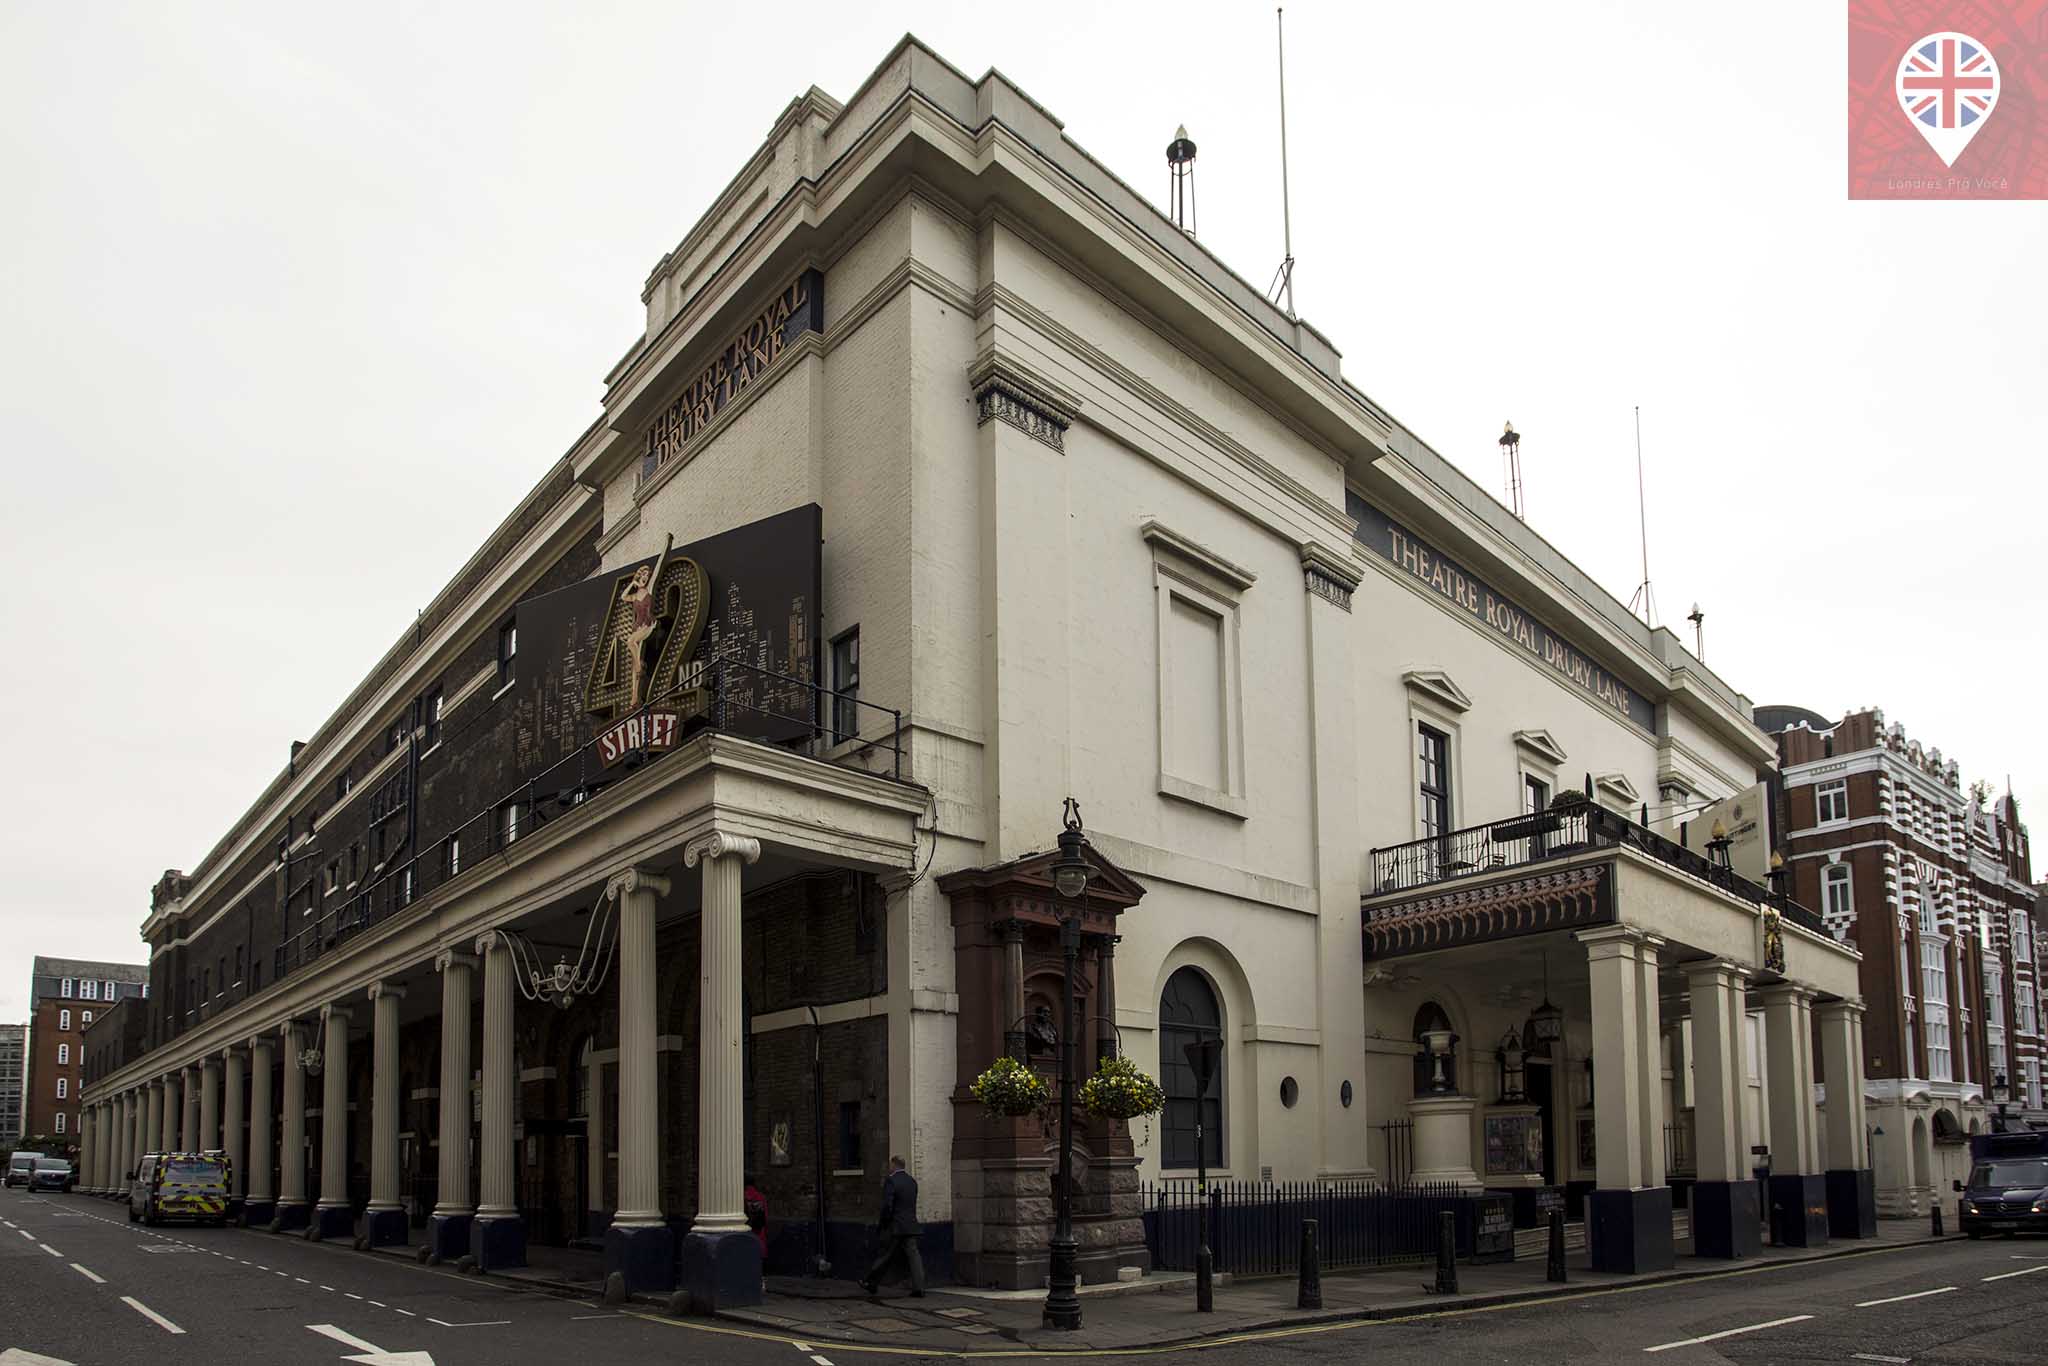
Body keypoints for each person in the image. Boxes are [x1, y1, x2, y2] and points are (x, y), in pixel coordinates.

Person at [859, 1155, 925, 1297]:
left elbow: (887, 1206)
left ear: (894, 1165)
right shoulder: (912, 1181)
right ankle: (919, 1288)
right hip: (911, 1224)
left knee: (885, 1255)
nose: (889, 1167)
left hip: (895, 1225)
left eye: (890, 1165)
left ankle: (870, 1282)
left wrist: (884, 1223)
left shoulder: (891, 1181)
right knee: (914, 1256)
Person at [743, 1173, 769, 1259]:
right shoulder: (760, 1196)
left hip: (744, 1233)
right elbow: (765, 1217)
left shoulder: (740, 1196)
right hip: (759, 1233)